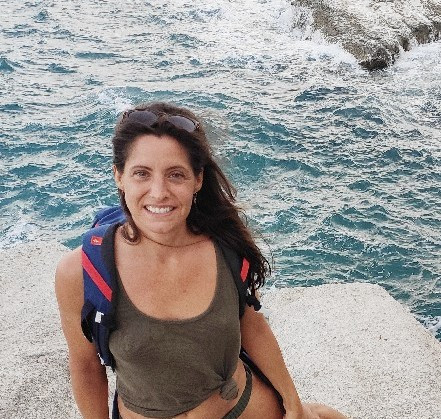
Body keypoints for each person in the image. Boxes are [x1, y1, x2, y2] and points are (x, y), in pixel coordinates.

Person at [55, 102, 347, 419]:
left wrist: (293, 404)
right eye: (142, 173)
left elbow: (251, 324)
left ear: (197, 180)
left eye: (176, 175)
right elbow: (85, 365)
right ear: (119, 176)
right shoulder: (81, 271)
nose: (158, 192)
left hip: (243, 407)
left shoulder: (226, 249)